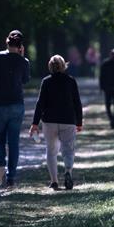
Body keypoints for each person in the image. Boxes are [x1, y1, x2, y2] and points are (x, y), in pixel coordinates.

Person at [0, 30, 31, 188]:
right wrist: (22, 58)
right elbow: (25, 80)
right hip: (16, 105)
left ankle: (1, 164)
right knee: (14, 142)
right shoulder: (24, 61)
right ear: (21, 46)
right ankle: (11, 178)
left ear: (6, 41)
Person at [29, 55, 83, 190]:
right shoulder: (71, 81)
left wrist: (35, 123)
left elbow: (40, 104)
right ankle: (68, 171)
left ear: (50, 66)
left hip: (49, 121)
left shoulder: (46, 82)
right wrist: (79, 122)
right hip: (68, 120)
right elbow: (77, 102)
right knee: (68, 150)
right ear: (64, 65)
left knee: (51, 151)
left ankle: (54, 181)